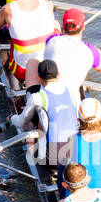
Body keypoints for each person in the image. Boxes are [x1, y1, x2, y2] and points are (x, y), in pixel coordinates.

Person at [10, 59, 77, 194]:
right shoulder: (71, 91)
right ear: (58, 75)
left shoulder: (38, 97)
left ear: (39, 78)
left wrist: (11, 118)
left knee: (35, 129)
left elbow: (20, 122)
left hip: (54, 159)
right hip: (77, 152)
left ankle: (44, 172)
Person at [44, 8, 101, 97]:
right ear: (83, 27)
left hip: (47, 92)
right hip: (70, 98)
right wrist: (98, 52)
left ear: (64, 26)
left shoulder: (51, 40)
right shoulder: (91, 50)